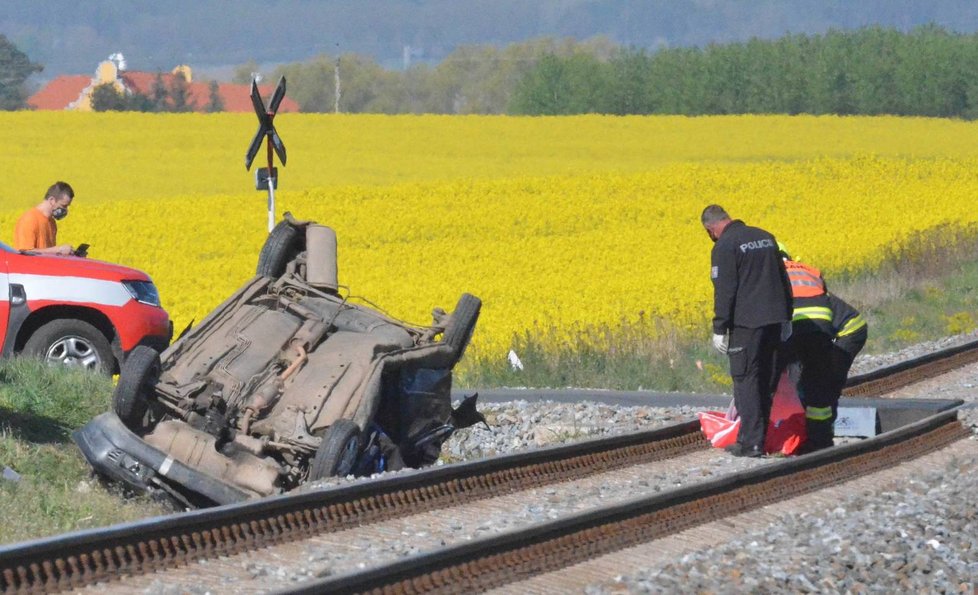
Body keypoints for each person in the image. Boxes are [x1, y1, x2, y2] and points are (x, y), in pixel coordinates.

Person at [701, 204, 793, 458]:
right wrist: (787, 317)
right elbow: (783, 280)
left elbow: (725, 290)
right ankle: (758, 440)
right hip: (775, 320)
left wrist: (719, 327)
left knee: (746, 380)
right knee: (766, 380)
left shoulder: (725, 246)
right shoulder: (765, 237)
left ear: (711, 229)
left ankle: (750, 443)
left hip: (747, 324)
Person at [777, 242, 837, 452]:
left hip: (795, 326)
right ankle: (821, 439)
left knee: (777, 379)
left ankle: (781, 435)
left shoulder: (774, 271)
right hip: (821, 327)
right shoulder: (810, 269)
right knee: (818, 382)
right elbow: (825, 295)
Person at [826, 291, 868, 417]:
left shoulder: (789, 290)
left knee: (827, 380)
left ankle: (828, 423)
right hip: (835, 329)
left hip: (850, 331)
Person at [13, 181, 75, 255]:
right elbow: (25, 252)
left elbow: (49, 253)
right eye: (63, 206)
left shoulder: (52, 222)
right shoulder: (29, 219)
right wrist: (58, 249)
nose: (65, 210)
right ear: (52, 200)